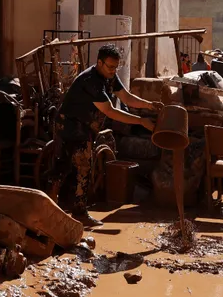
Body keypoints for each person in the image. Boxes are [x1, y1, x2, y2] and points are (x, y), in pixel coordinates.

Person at [54, 44, 162, 226]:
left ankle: (71, 211)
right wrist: (141, 121)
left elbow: (126, 97)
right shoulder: (91, 81)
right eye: (110, 67)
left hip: (86, 127)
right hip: (70, 126)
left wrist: (149, 105)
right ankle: (72, 213)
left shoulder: (109, 76)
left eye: (116, 67)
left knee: (79, 168)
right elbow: (110, 111)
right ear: (99, 62)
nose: (113, 71)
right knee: (75, 169)